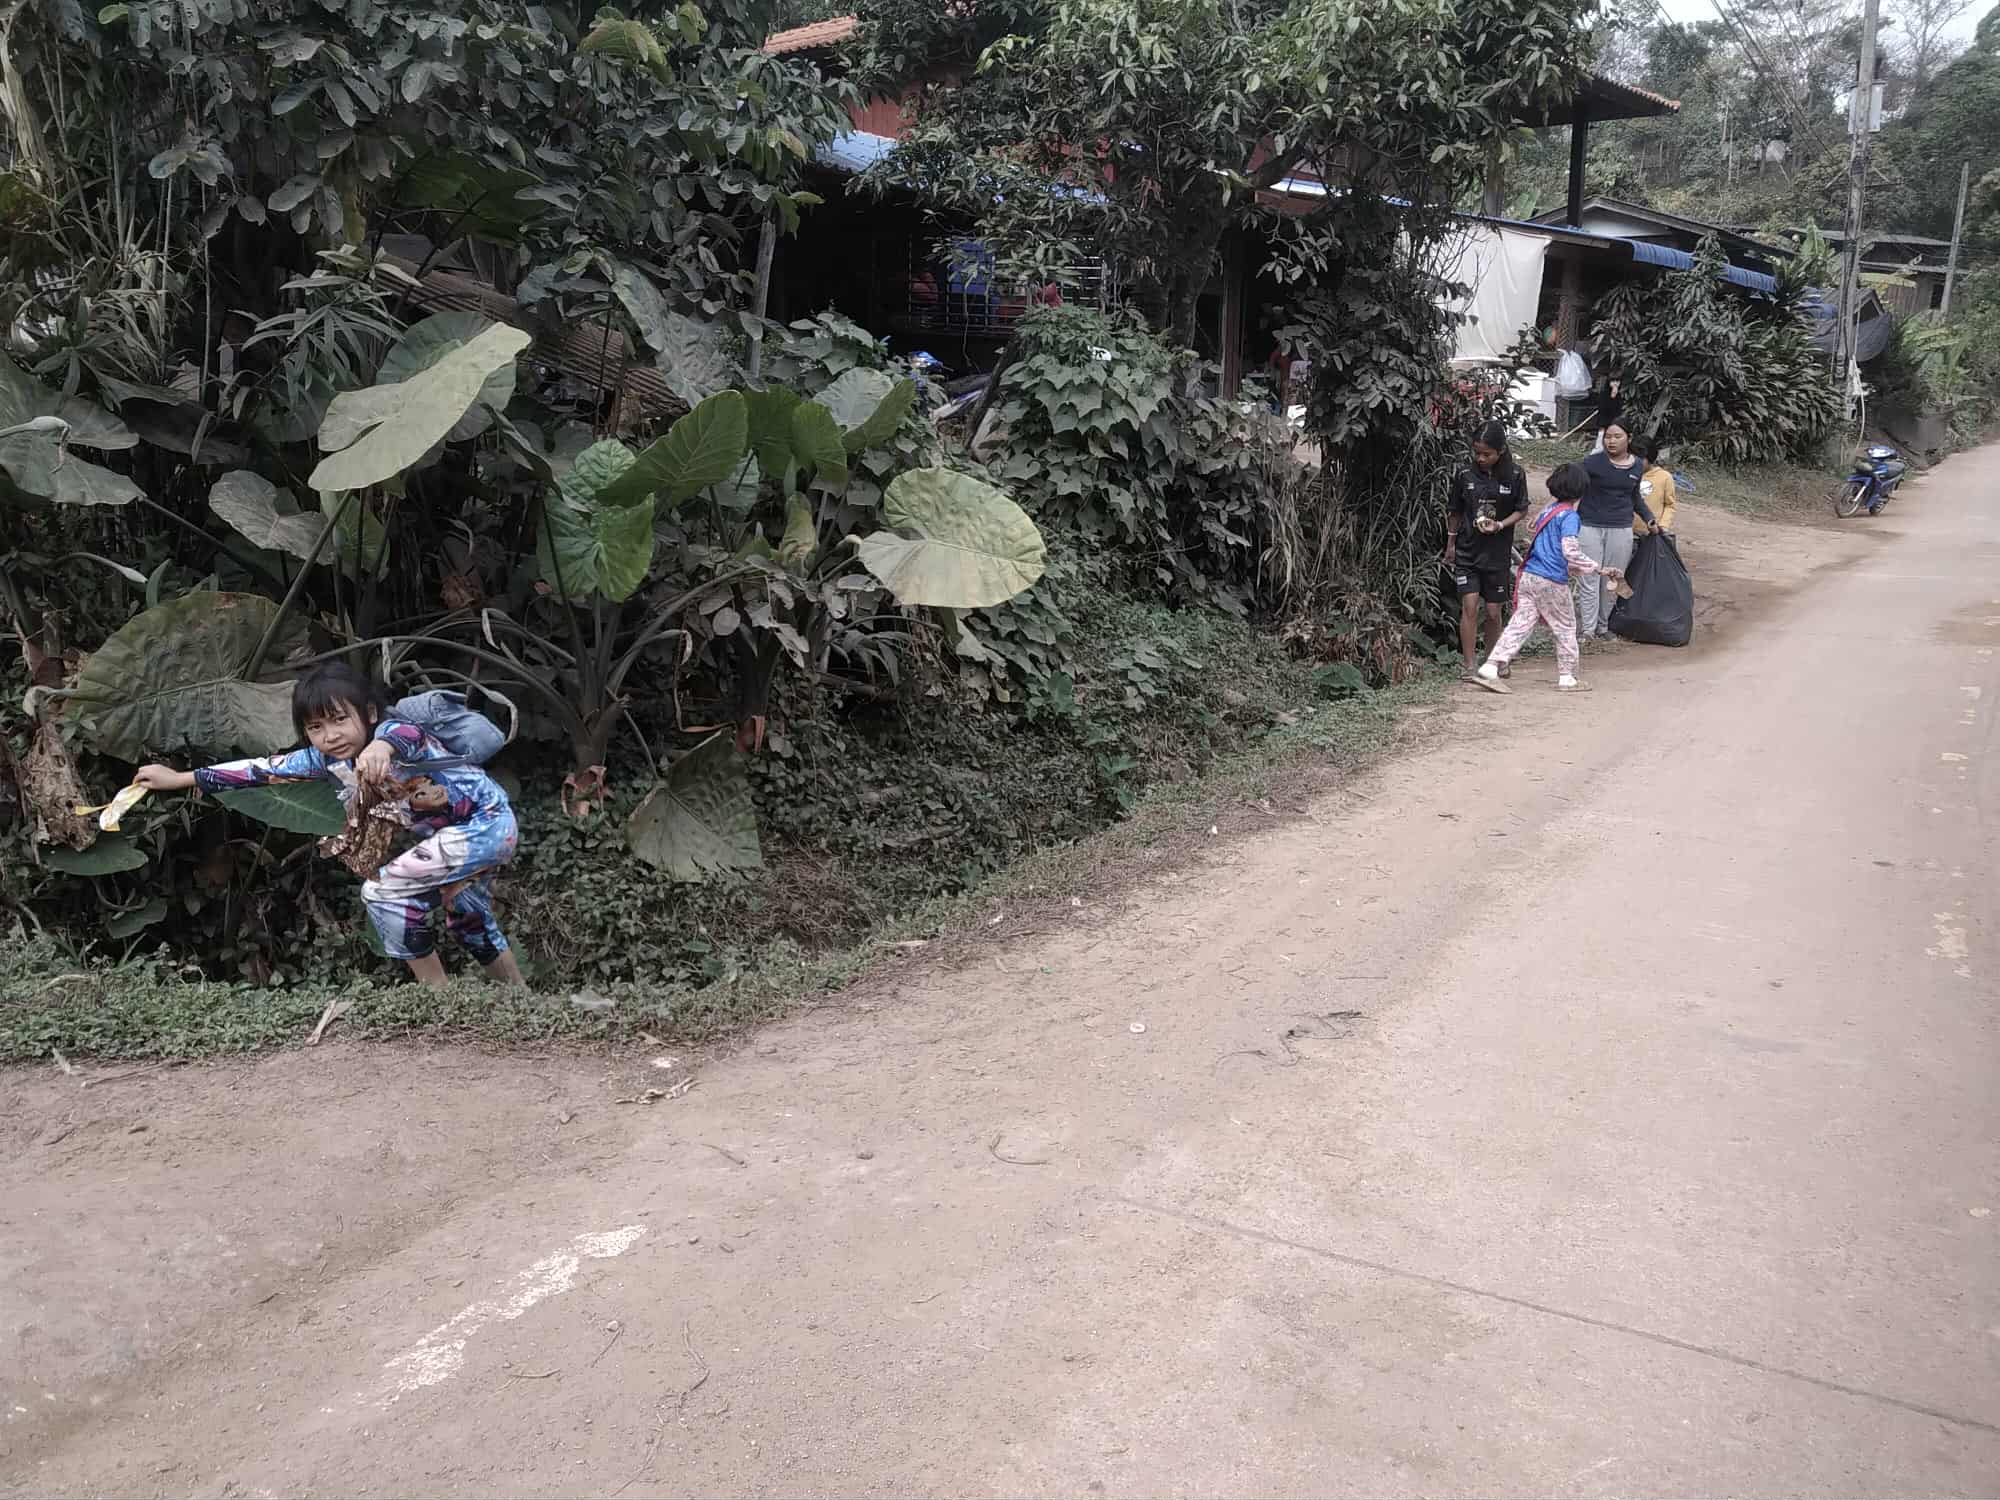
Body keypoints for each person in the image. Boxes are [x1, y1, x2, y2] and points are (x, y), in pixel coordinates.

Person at [134, 663, 524, 988]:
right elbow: (259, 770)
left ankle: (439, 996)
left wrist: (381, 747)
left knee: (383, 893)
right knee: (470, 919)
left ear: (370, 713)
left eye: (340, 719)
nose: (330, 736)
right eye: (316, 727)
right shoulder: (326, 761)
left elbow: (400, 737)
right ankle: (520, 1001)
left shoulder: (399, 731)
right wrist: (181, 778)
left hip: (486, 825)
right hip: (468, 839)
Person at [1471, 462, 1622, 695]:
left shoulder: (1548, 512)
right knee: (1565, 626)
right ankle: (1567, 677)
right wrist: (1597, 568)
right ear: (1582, 491)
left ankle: (1491, 667)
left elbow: (1549, 545)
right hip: (1550, 579)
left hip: (1530, 575)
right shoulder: (1569, 517)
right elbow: (1569, 551)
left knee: (1520, 624)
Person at [1445, 420, 1530, 680]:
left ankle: (1494, 661)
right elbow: (1455, 512)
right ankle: (1469, 665)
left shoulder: (1515, 475)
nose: (1480, 459)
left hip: (1497, 554)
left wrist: (1500, 525)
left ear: (1500, 451)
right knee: (1469, 607)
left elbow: (1522, 510)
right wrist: (1450, 544)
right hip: (1467, 552)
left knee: (1493, 612)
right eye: (1477, 453)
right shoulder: (1464, 475)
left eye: (1487, 454)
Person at [1575, 419, 1656, 643]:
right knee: (1589, 577)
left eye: (1617, 437)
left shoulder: (1637, 465)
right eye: (1607, 437)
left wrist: (1649, 518)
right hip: (1589, 527)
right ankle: (1587, 630)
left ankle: (1603, 626)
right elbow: (1572, 486)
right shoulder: (1591, 463)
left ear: (1629, 438)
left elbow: (1635, 497)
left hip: (1621, 529)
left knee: (1613, 579)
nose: (1611, 441)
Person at [1636, 438, 1677, 537]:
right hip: (1627, 532)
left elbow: (1670, 505)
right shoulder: (1626, 474)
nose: (1636, 462)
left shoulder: (1665, 477)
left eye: (1640, 458)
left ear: (1650, 457)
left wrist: (1663, 525)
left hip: (1652, 534)